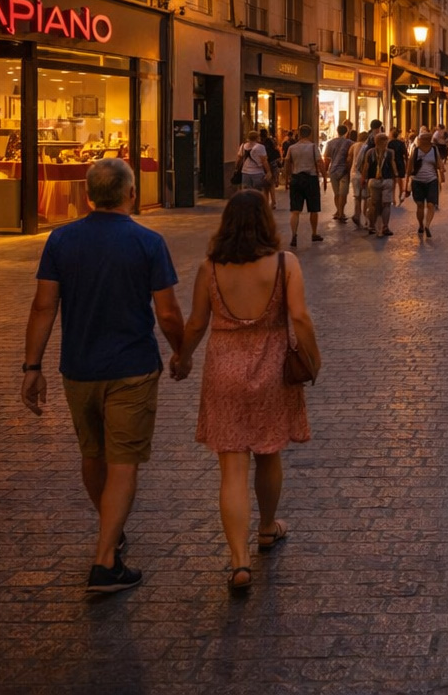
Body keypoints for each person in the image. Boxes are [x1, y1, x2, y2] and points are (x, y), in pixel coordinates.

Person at [20, 158, 184, 594]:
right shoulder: (148, 242)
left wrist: (31, 367)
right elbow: (167, 311)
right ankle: (105, 559)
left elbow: (43, 306)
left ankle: (111, 532)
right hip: (131, 366)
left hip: (79, 367)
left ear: (88, 195)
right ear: (131, 193)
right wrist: (182, 352)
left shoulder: (61, 240)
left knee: (93, 454)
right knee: (123, 460)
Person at [169, 190, 315, 592]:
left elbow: (197, 323)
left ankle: (239, 562)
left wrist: (182, 359)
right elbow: (299, 316)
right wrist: (314, 359)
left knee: (232, 468)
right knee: (269, 453)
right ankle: (267, 527)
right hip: (271, 369)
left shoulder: (210, 268)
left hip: (223, 369)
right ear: (267, 221)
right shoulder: (285, 264)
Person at [281, 124, 324, 248]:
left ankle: (294, 235)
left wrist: (287, 178)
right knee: (314, 209)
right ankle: (314, 233)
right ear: (310, 134)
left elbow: (287, 163)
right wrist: (325, 177)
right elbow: (319, 162)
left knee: (295, 211)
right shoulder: (313, 147)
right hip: (311, 179)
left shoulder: (292, 148)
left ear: (299, 134)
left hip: (296, 178)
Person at [358, 132, 399, 238]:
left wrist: (363, 179)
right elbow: (393, 165)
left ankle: (372, 225)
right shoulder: (390, 152)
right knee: (386, 204)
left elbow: (366, 167)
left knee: (374, 204)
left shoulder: (370, 152)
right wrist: (396, 176)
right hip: (387, 180)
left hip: (373, 181)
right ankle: (385, 227)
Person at [408, 131, 443, 238]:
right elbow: (410, 166)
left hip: (431, 180)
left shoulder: (434, 149)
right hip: (417, 181)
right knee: (420, 205)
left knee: (430, 204)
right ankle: (421, 225)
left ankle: (427, 225)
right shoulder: (416, 150)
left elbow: (439, 163)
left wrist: (441, 170)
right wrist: (407, 183)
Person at [324, 124, 353, 222]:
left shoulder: (330, 143)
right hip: (344, 171)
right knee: (343, 194)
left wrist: (325, 172)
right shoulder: (350, 143)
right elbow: (350, 158)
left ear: (337, 131)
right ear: (346, 132)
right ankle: (341, 213)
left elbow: (327, 158)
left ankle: (338, 211)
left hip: (333, 170)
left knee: (337, 194)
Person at [259, 128, 281, 209]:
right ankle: (273, 202)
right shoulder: (271, 142)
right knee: (271, 184)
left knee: (265, 186)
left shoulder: (260, 144)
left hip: (264, 165)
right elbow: (276, 151)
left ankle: (266, 203)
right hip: (273, 164)